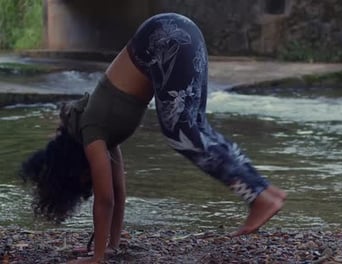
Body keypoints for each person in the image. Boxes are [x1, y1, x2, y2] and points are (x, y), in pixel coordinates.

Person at [20, 13, 286, 263]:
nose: (87, 186)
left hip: (163, 38)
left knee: (181, 133)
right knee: (194, 128)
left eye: (80, 184)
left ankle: (259, 197)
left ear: (71, 170)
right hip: (177, 31)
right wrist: (111, 246)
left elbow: (105, 200)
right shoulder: (102, 132)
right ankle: (263, 190)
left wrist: (97, 258)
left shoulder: (92, 134)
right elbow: (118, 193)